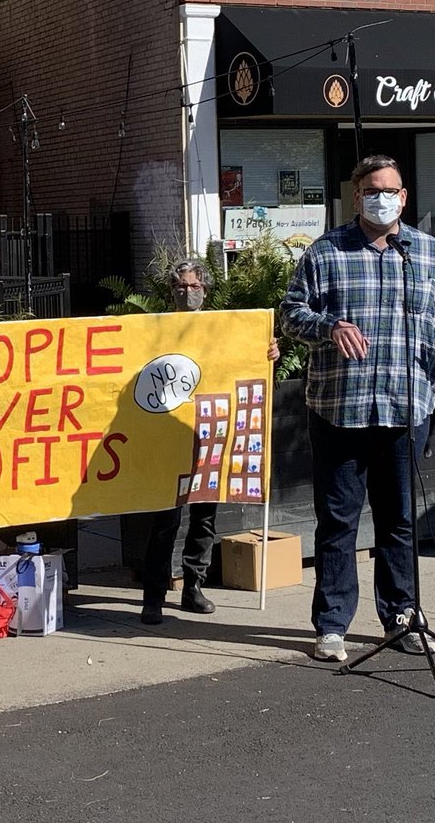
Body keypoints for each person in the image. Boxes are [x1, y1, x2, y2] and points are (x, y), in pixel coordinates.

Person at [280, 156, 435, 662]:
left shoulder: (426, 254)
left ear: (404, 197)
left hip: (406, 409)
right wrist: (328, 327)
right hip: (340, 408)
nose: (380, 198)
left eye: (389, 189)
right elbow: (291, 313)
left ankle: (402, 617)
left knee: (399, 520)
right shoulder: (326, 251)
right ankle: (332, 626)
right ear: (356, 197)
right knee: (338, 521)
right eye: (370, 190)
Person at [140, 258, 280, 625]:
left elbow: (244, 362)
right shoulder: (155, 330)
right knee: (165, 519)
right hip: (168, 437)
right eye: (181, 287)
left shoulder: (223, 328)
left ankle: (193, 588)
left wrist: (267, 355)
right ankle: (153, 596)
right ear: (171, 291)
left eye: (194, 286)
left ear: (206, 289)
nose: (188, 293)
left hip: (212, 432)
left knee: (204, 517)